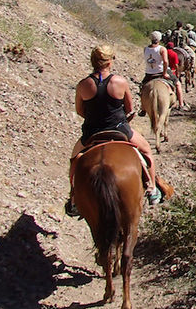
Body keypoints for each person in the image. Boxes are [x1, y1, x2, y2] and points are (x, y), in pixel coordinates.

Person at [67, 45, 161, 216]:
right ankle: (152, 188)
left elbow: (80, 110)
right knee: (147, 151)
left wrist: (96, 119)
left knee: (75, 159)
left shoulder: (83, 85)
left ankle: (73, 197)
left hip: (92, 132)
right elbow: (129, 108)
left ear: (93, 61)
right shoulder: (119, 82)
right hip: (119, 129)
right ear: (109, 62)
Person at [140, 30, 186, 114]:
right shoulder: (162, 49)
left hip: (149, 73)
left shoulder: (145, 49)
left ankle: (143, 108)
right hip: (160, 72)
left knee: (142, 88)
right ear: (159, 39)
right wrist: (164, 73)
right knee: (178, 84)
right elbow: (165, 61)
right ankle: (181, 104)